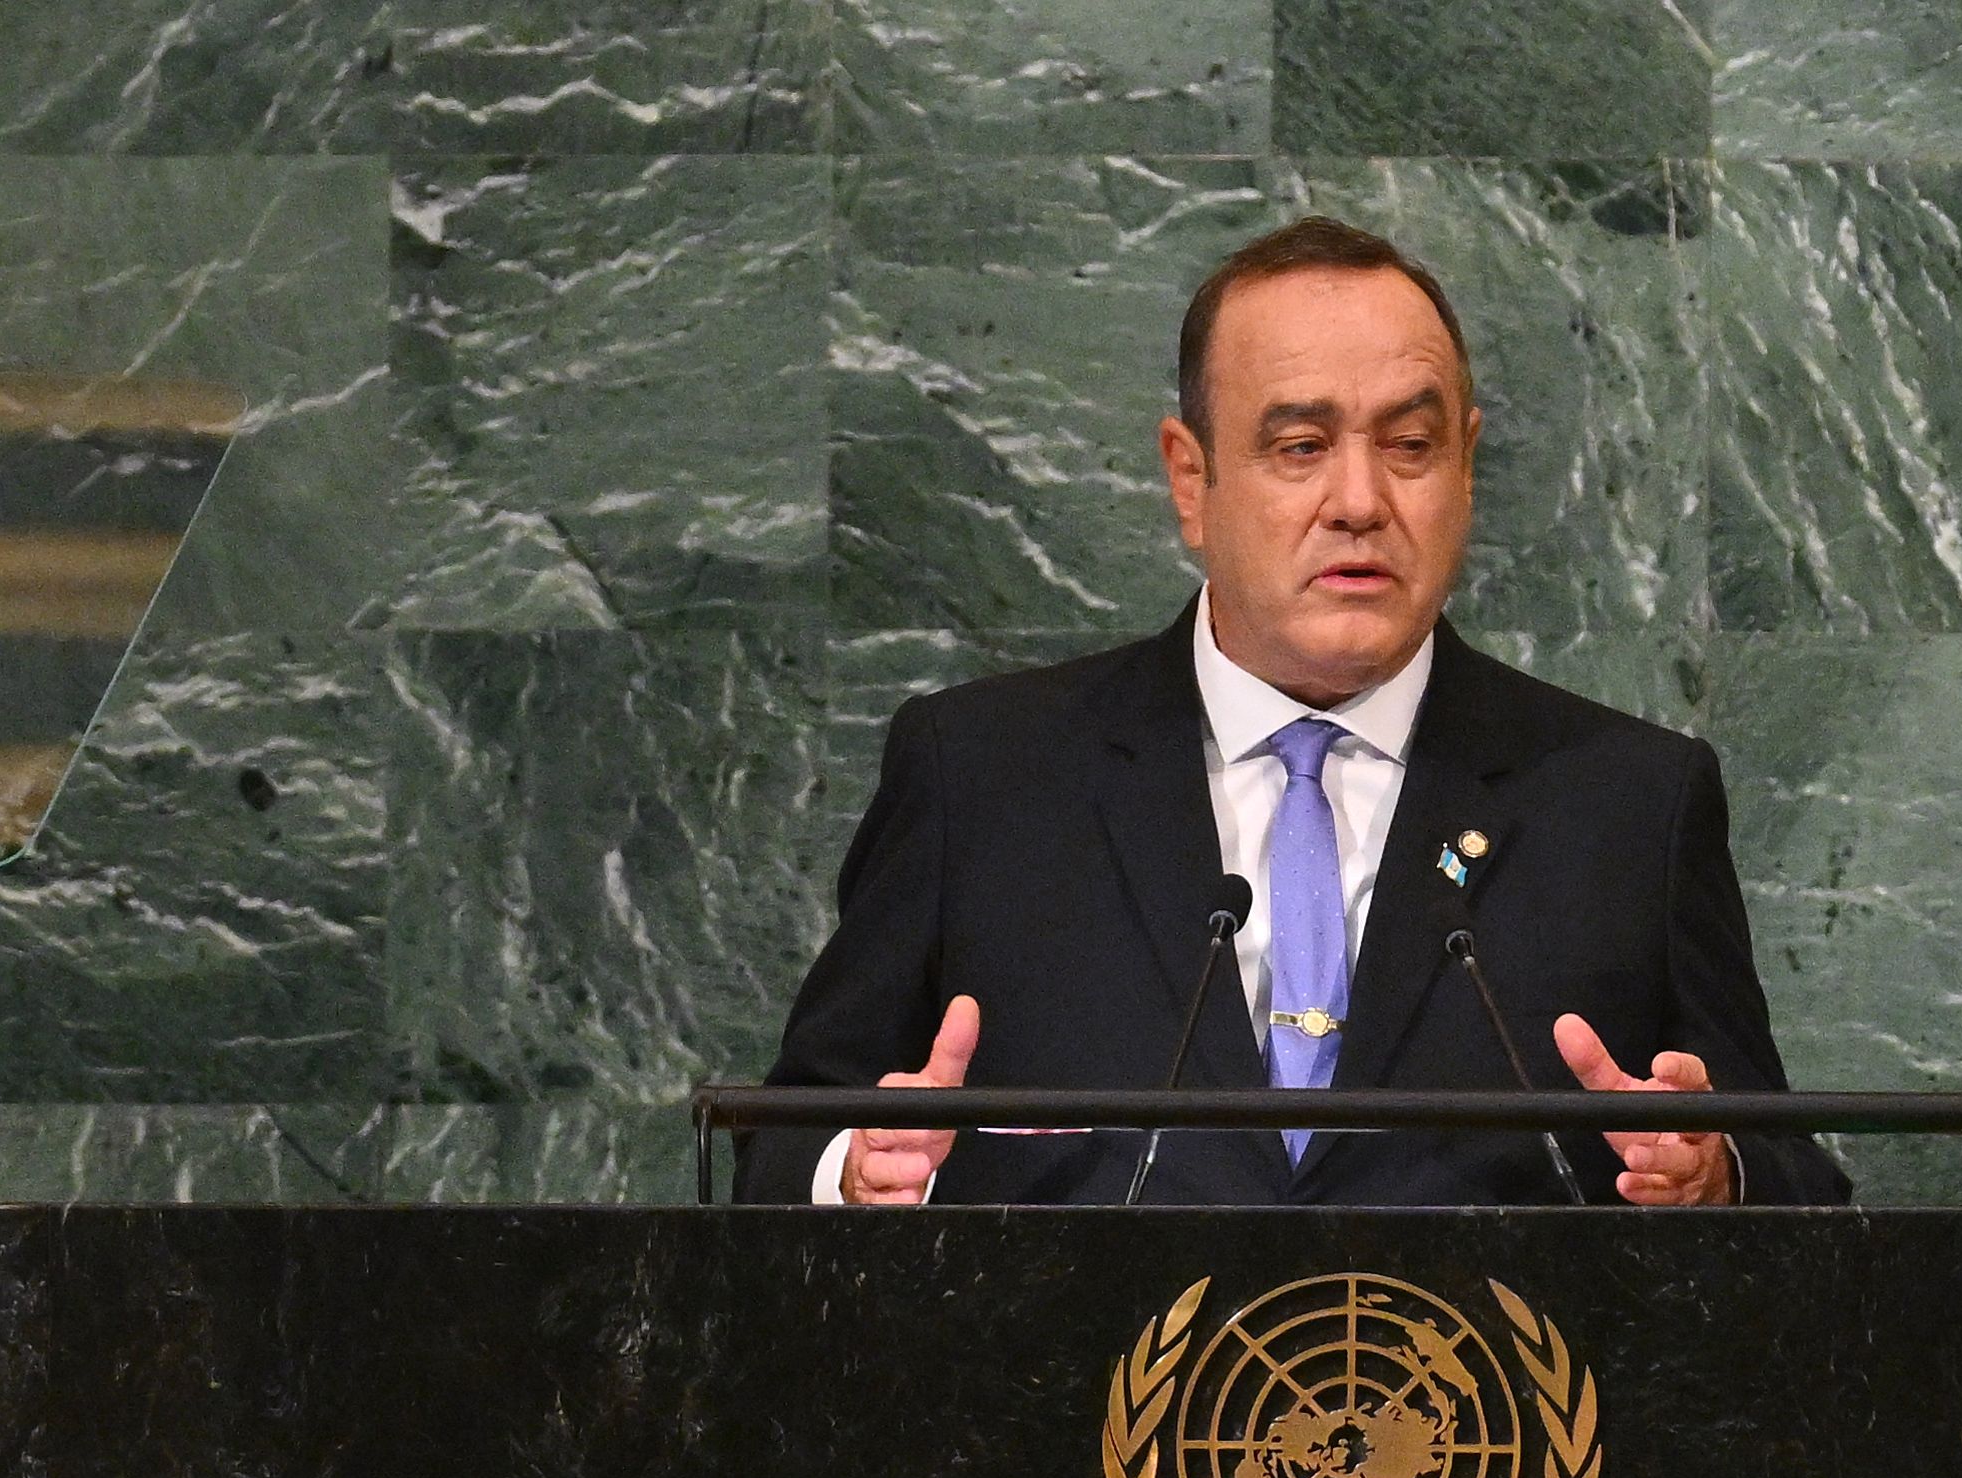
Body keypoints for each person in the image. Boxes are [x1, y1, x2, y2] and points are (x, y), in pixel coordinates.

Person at [737, 217, 1849, 1207]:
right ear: (1191, 477)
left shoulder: (1627, 803)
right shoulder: (983, 777)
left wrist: (1714, 1174)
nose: (1360, 502)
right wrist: (858, 1166)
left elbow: (1798, 1179)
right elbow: (775, 1151)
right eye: (1300, 447)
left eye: (1410, 446)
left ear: (1465, 464)